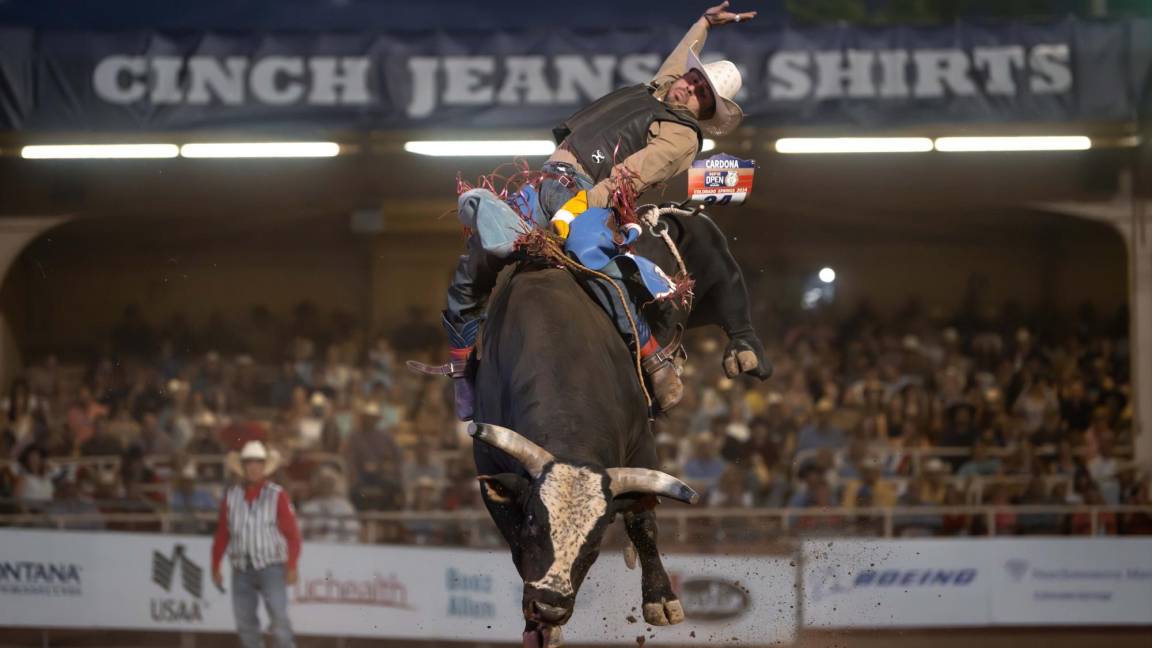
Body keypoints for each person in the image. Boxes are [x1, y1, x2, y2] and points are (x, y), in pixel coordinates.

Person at [427, 2, 758, 419]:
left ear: (706, 109)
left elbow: (624, 179)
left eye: (700, 92)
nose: (688, 87)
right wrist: (704, 24)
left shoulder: (681, 137)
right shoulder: (661, 89)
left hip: (589, 195)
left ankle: (652, 357)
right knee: (473, 257)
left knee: (593, 254)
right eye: (693, 78)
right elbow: (680, 56)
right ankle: (462, 370)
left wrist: (577, 209)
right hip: (544, 183)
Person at [211, 441, 301, 648]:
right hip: (241, 567)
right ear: (242, 466)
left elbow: (292, 534)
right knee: (245, 623)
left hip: (271, 565)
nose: (253, 466)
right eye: (248, 462)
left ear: (264, 466)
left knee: (278, 620)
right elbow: (222, 534)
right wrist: (215, 564)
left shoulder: (277, 494)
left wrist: (292, 564)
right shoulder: (231, 496)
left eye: (257, 462)